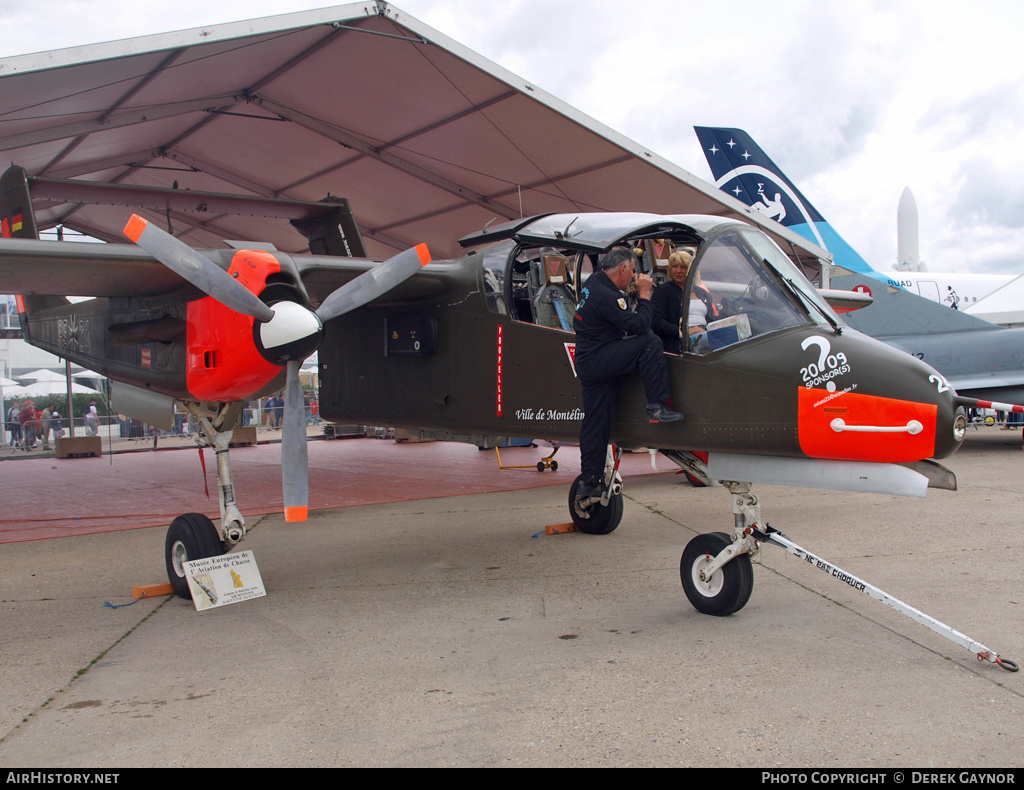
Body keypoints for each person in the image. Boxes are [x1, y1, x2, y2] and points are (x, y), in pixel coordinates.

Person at [573, 246, 681, 500]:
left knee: (595, 423)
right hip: (599, 358)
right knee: (650, 343)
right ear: (621, 268)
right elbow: (642, 327)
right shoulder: (607, 296)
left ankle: (589, 481)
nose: (633, 276)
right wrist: (644, 294)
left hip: (588, 359)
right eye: (632, 271)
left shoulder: (596, 280)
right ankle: (656, 405)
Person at [651, 249, 718, 354]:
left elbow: (712, 318)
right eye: (675, 266)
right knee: (717, 340)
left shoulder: (702, 292)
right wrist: (684, 332)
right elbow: (656, 321)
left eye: (683, 267)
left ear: (691, 270)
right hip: (682, 340)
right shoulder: (663, 291)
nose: (678, 271)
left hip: (705, 333)